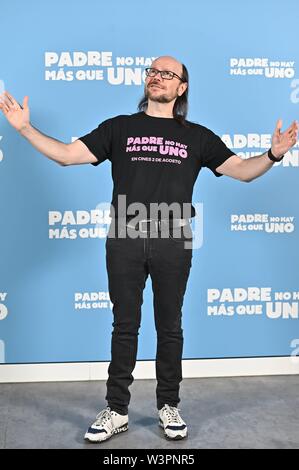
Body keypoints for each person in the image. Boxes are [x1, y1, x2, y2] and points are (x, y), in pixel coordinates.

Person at [0, 55, 298, 443]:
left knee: (169, 327)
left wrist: (273, 155)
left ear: (181, 87)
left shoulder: (198, 137)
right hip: (123, 237)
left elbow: (241, 170)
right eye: (152, 72)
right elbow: (67, 155)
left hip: (174, 240)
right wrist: (24, 129)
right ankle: (117, 410)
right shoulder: (119, 128)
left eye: (166, 74)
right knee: (125, 326)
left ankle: (168, 406)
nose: (156, 78)